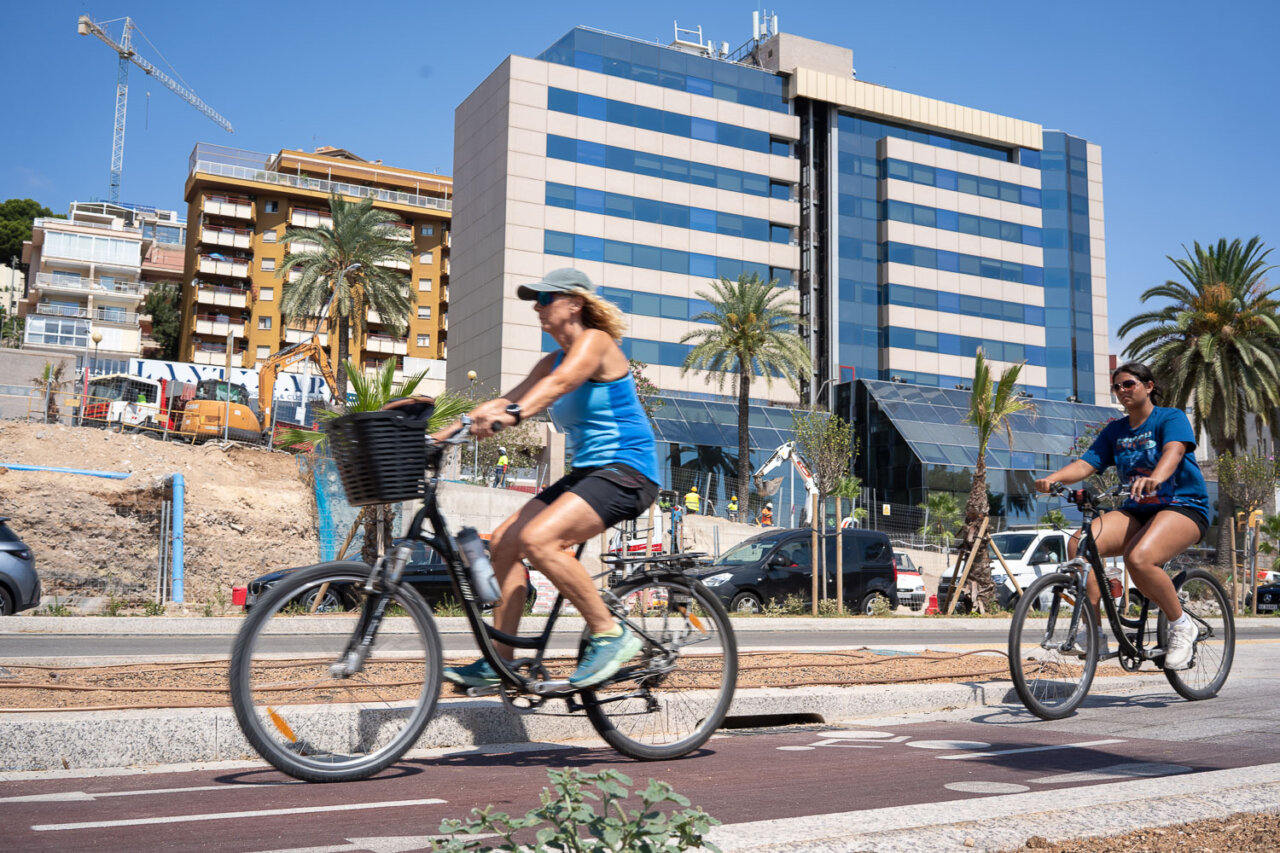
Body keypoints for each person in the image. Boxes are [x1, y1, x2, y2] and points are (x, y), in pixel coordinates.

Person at [393, 269, 659, 689]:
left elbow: (561, 384)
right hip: (589, 473)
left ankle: (611, 634)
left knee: (539, 540)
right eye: (535, 300)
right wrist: (437, 439)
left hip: (628, 471)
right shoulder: (547, 361)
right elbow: (505, 399)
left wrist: (513, 416)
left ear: (574, 303)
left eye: (545, 299)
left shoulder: (595, 343)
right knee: (503, 543)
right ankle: (501, 662)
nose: (537, 307)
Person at [1033, 362, 1209, 670]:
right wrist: (1053, 479)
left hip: (1183, 506)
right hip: (1138, 511)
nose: (1122, 391)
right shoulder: (1116, 430)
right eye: (1117, 387)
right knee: (1080, 544)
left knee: (1138, 558)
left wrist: (1156, 476)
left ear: (1148, 386)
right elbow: (1087, 463)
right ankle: (1095, 633)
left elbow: (1174, 452)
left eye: (1128, 384)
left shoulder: (1171, 418)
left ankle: (1182, 625)